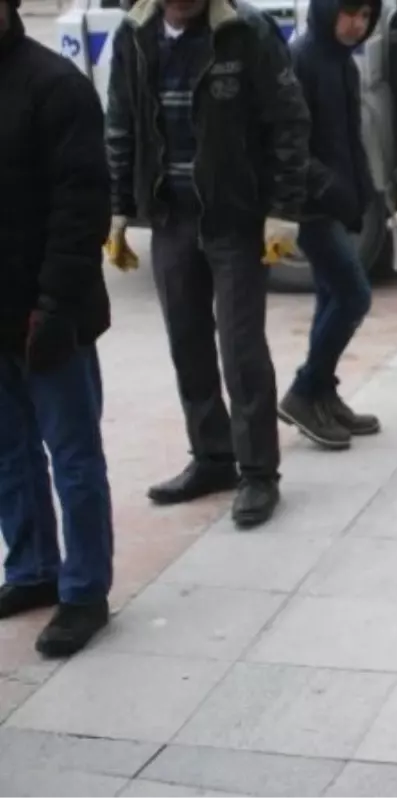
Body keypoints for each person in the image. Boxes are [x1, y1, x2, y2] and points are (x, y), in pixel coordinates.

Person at [105, 0, 311, 528]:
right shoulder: (134, 37)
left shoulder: (246, 33)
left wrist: (283, 209)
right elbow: (122, 124)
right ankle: (213, 457)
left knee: (240, 348)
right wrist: (118, 211)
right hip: (172, 219)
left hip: (234, 220)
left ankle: (259, 473)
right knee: (187, 343)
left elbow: (288, 121)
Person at [0, 0, 116, 657]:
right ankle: (33, 570)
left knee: (72, 459)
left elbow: (81, 207)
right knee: (9, 456)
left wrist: (52, 306)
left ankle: (83, 590)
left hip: (52, 318)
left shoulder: (56, 87)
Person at [278, 0, 382, 451]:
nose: (356, 24)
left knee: (330, 297)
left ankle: (324, 393)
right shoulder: (301, 59)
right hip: (307, 205)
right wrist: (329, 188)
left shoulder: (343, 64)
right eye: (348, 13)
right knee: (354, 294)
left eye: (365, 15)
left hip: (333, 202)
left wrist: (361, 193)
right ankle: (303, 391)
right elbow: (288, 142)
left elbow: (350, 137)